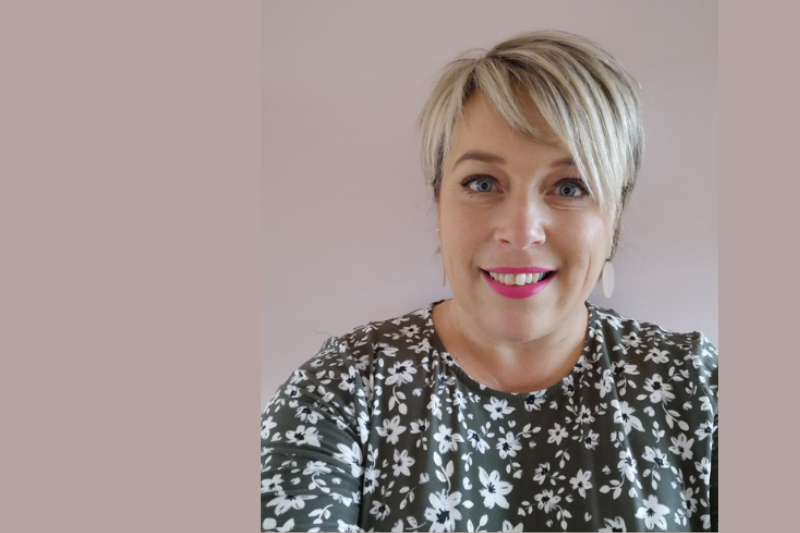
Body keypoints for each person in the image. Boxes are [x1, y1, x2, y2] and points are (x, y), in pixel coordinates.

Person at [261, 31, 718, 532]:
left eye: (570, 187)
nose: (520, 232)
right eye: (482, 183)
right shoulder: (342, 392)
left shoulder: (696, 388)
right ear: (438, 202)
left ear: (616, 215)